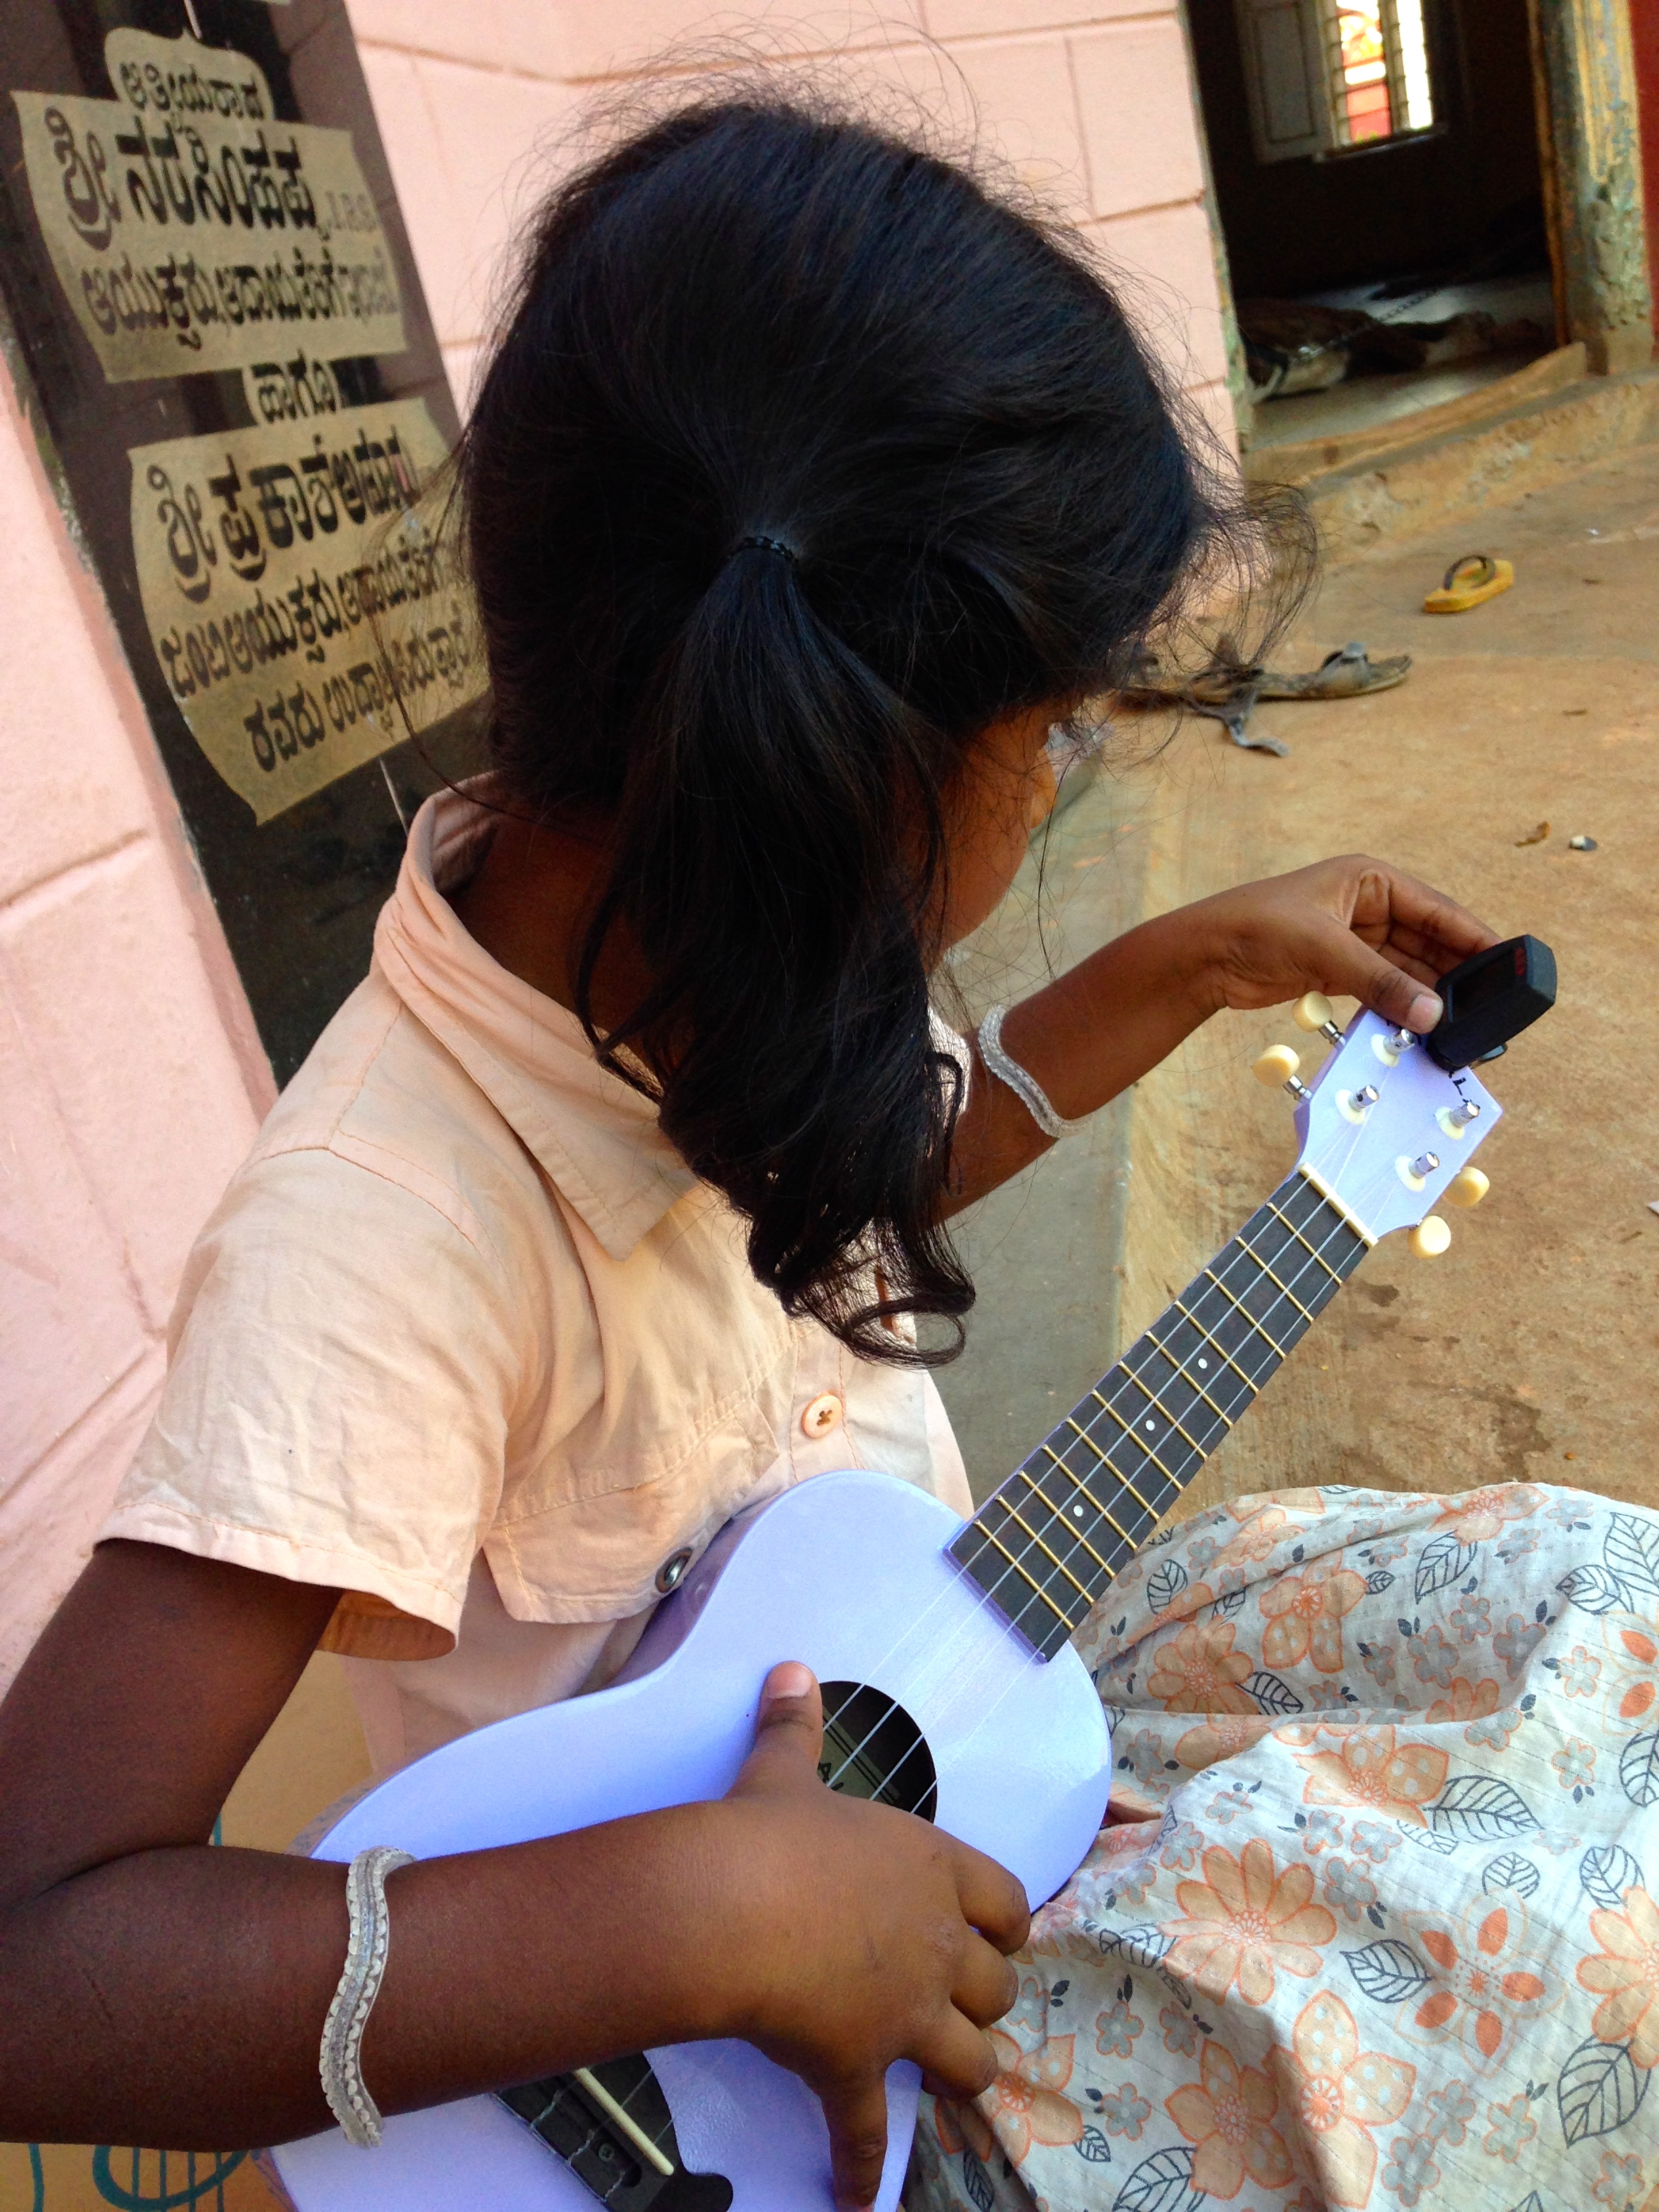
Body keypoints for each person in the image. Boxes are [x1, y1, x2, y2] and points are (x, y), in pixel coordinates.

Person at [0, 85, 1543, 2212]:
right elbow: (32, 1961)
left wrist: (1186, 964)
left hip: (939, 1769)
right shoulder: (375, 1243)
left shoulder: (739, 935)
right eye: (1054, 734)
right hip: (657, 2097)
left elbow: (870, 1183)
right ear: (843, 784)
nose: (1062, 779)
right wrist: (696, 1918)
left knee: (1584, 1618)